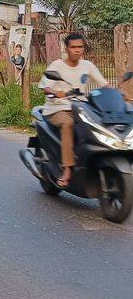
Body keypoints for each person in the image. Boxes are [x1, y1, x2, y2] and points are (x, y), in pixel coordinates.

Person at [39, 33, 108, 188]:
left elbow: (104, 84)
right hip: (57, 108)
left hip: (80, 107)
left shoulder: (87, 66)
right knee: (68, 123)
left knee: (99, 124)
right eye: (73, 47)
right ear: (67, 49)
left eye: (80, 47)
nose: (77, 50)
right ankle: (67, 169)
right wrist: (56, 92)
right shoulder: (57, 66)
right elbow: (45, 86)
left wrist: (120, 95)